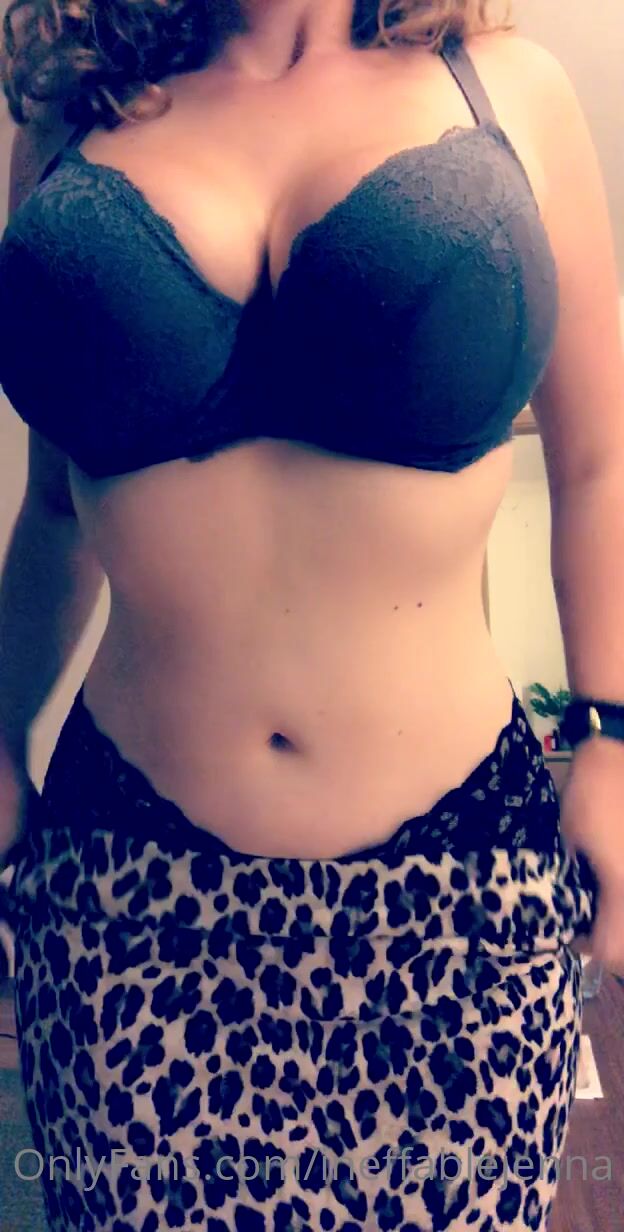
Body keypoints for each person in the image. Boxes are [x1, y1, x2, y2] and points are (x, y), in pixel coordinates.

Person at [0, 1, 623, 1228]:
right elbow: (57, 508)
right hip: (124, 898)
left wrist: (610, 735)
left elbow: (602, 465)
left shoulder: (508, 89)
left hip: (460, 905)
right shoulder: (76, 110)